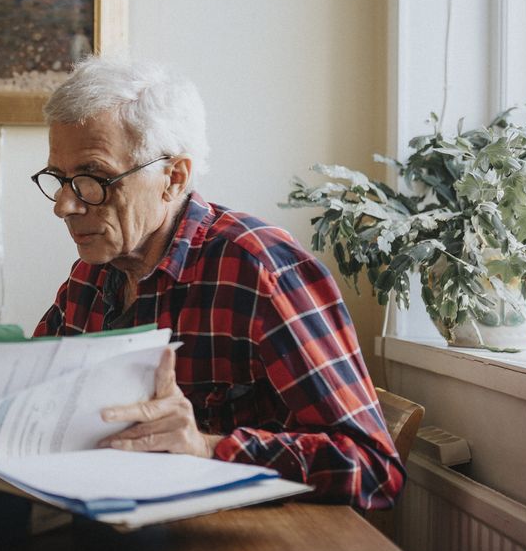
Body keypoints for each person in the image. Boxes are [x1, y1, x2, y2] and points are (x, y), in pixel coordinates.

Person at [30, 57, 403, 509]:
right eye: (60, 180)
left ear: (174, 177)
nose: (65, 206)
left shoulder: (260, 270)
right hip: (119, 524)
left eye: (93, 179)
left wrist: (207, 448)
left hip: (248, 547)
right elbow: (36, 400)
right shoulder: (91, 273)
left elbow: (372, 466)